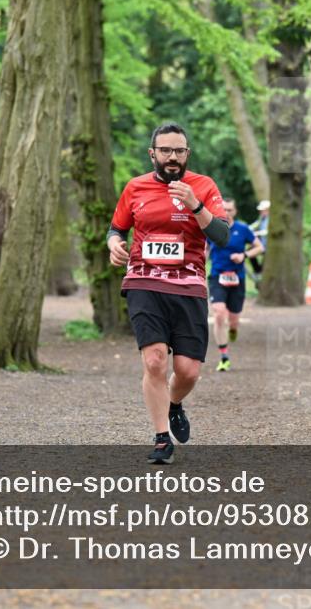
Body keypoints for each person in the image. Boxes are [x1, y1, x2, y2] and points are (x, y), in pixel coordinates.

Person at [107, 122, 230, 464]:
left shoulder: (203, 186)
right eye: (166, 151)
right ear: (153, 153)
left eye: (179, 151)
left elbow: (221, 235)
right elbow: (117, 227)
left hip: (189, 286)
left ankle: (174, 403)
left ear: (187, 154)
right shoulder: (135, 188)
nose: (172, 157)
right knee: (154, 360)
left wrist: (195, 206)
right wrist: (114, 243)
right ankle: (162, 439)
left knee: (188, 370)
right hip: (144, 282)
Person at [205, 198, 264, 372]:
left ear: (235, 211)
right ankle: (224, 356)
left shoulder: (242, 229)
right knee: (218, 313)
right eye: (223, 209)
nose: (227, 213)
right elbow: (205, 251)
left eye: (230, 210)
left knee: (234, 318)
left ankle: (233, 327)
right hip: (217, 277)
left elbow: (259, 247)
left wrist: (244, 255)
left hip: (237, 277)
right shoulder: (212, 229)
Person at [247, 200, 270, 277]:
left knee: (266, 262)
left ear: (267, 210)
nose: (260, 212)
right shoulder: (261, 218)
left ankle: (261, 273)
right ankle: (258, 271)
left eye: (262, 210)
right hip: (263, 245)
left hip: (269, 247)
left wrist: (256, 233)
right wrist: (246, 229)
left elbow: (267, 232)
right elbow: (254, 225)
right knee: (249, 251)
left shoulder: (271, 219)